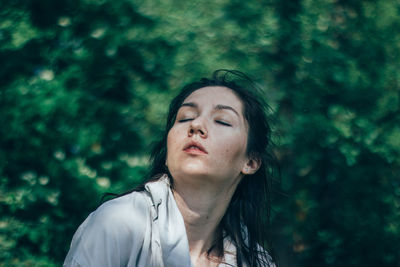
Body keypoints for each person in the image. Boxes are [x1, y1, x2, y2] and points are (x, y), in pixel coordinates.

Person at [63, 70, 277, 267]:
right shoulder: (118, 223)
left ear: (250, 162)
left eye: (222, 121)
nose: (196, 126)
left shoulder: (258, 262)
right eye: (185, 118)